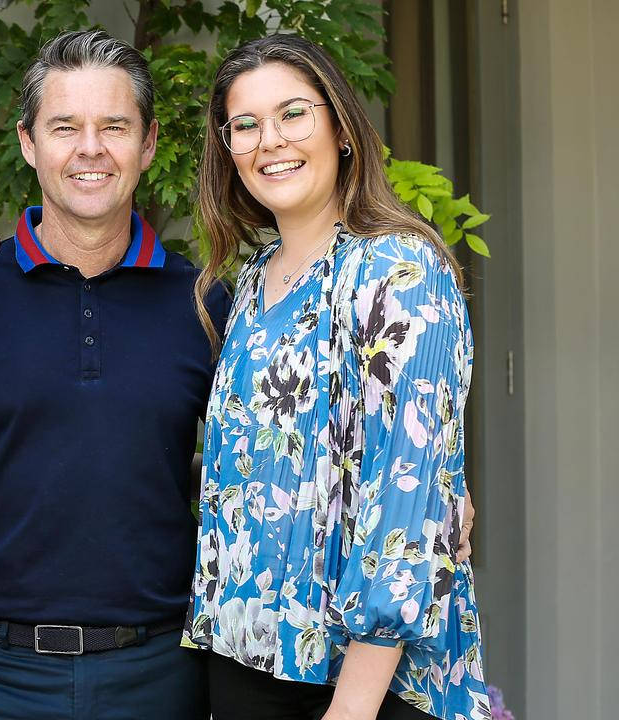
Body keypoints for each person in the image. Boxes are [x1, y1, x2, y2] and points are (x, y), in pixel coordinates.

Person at [0, 30, 229, 719]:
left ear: (146, 146)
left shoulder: (203, 306)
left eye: (114, 126)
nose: (90, 148)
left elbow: (288, 457)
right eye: (65, 127)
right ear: (29, 143)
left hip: (154, 679)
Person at [183, 34, 489, 720]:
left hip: (367, 687)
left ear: (341, 128)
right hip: (248, 664)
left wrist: (349, 710)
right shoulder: (253, 284)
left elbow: (406, 510)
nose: (271, 141)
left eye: (294, 113)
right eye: (246, 125)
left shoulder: (398, 271)